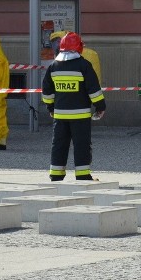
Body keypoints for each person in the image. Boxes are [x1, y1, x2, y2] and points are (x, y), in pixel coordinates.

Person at [42, 32, 106, 181]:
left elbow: (47, 91)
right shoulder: (84, 65)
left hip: (60, 115)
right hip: (80, 115)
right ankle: (83, 175)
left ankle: (56, 175)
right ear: (79, 47)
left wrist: (50, 108)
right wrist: (100, 106)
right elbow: (94, 90)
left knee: (59, 144)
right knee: (81, 145)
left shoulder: (53, 66)